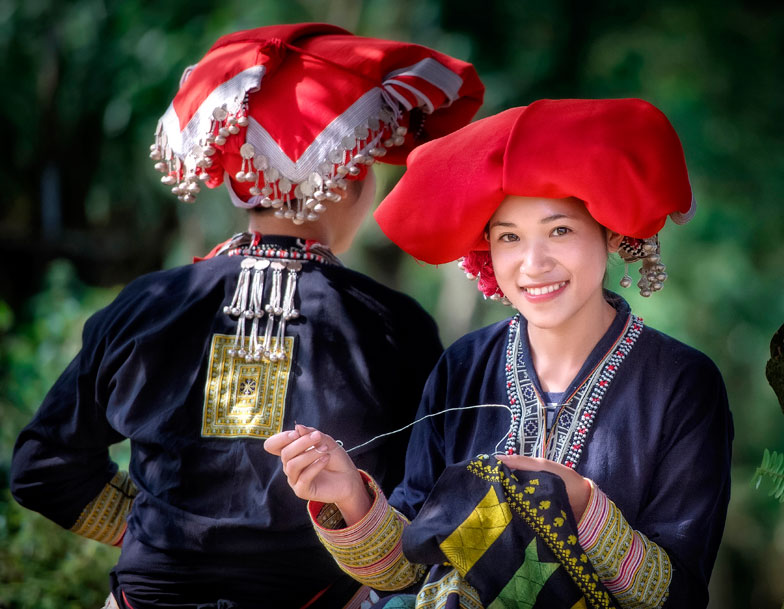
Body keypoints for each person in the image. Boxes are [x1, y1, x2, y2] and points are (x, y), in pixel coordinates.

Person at [10, 23, 483, 609]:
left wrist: (155, 527)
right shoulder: (391, 324)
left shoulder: (145, 305)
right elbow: (430, 509)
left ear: (238, 183)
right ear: (347, 176)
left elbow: (41, 469)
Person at [266, 98, 734, 609]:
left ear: (610, 233)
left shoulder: (683, 383)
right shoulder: (463, 368)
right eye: (509, 237)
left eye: (560, 230)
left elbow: (678, 596)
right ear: (487, 251)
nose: (533, 264)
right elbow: (410, 570)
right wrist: (349, 498)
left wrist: (579, 503)